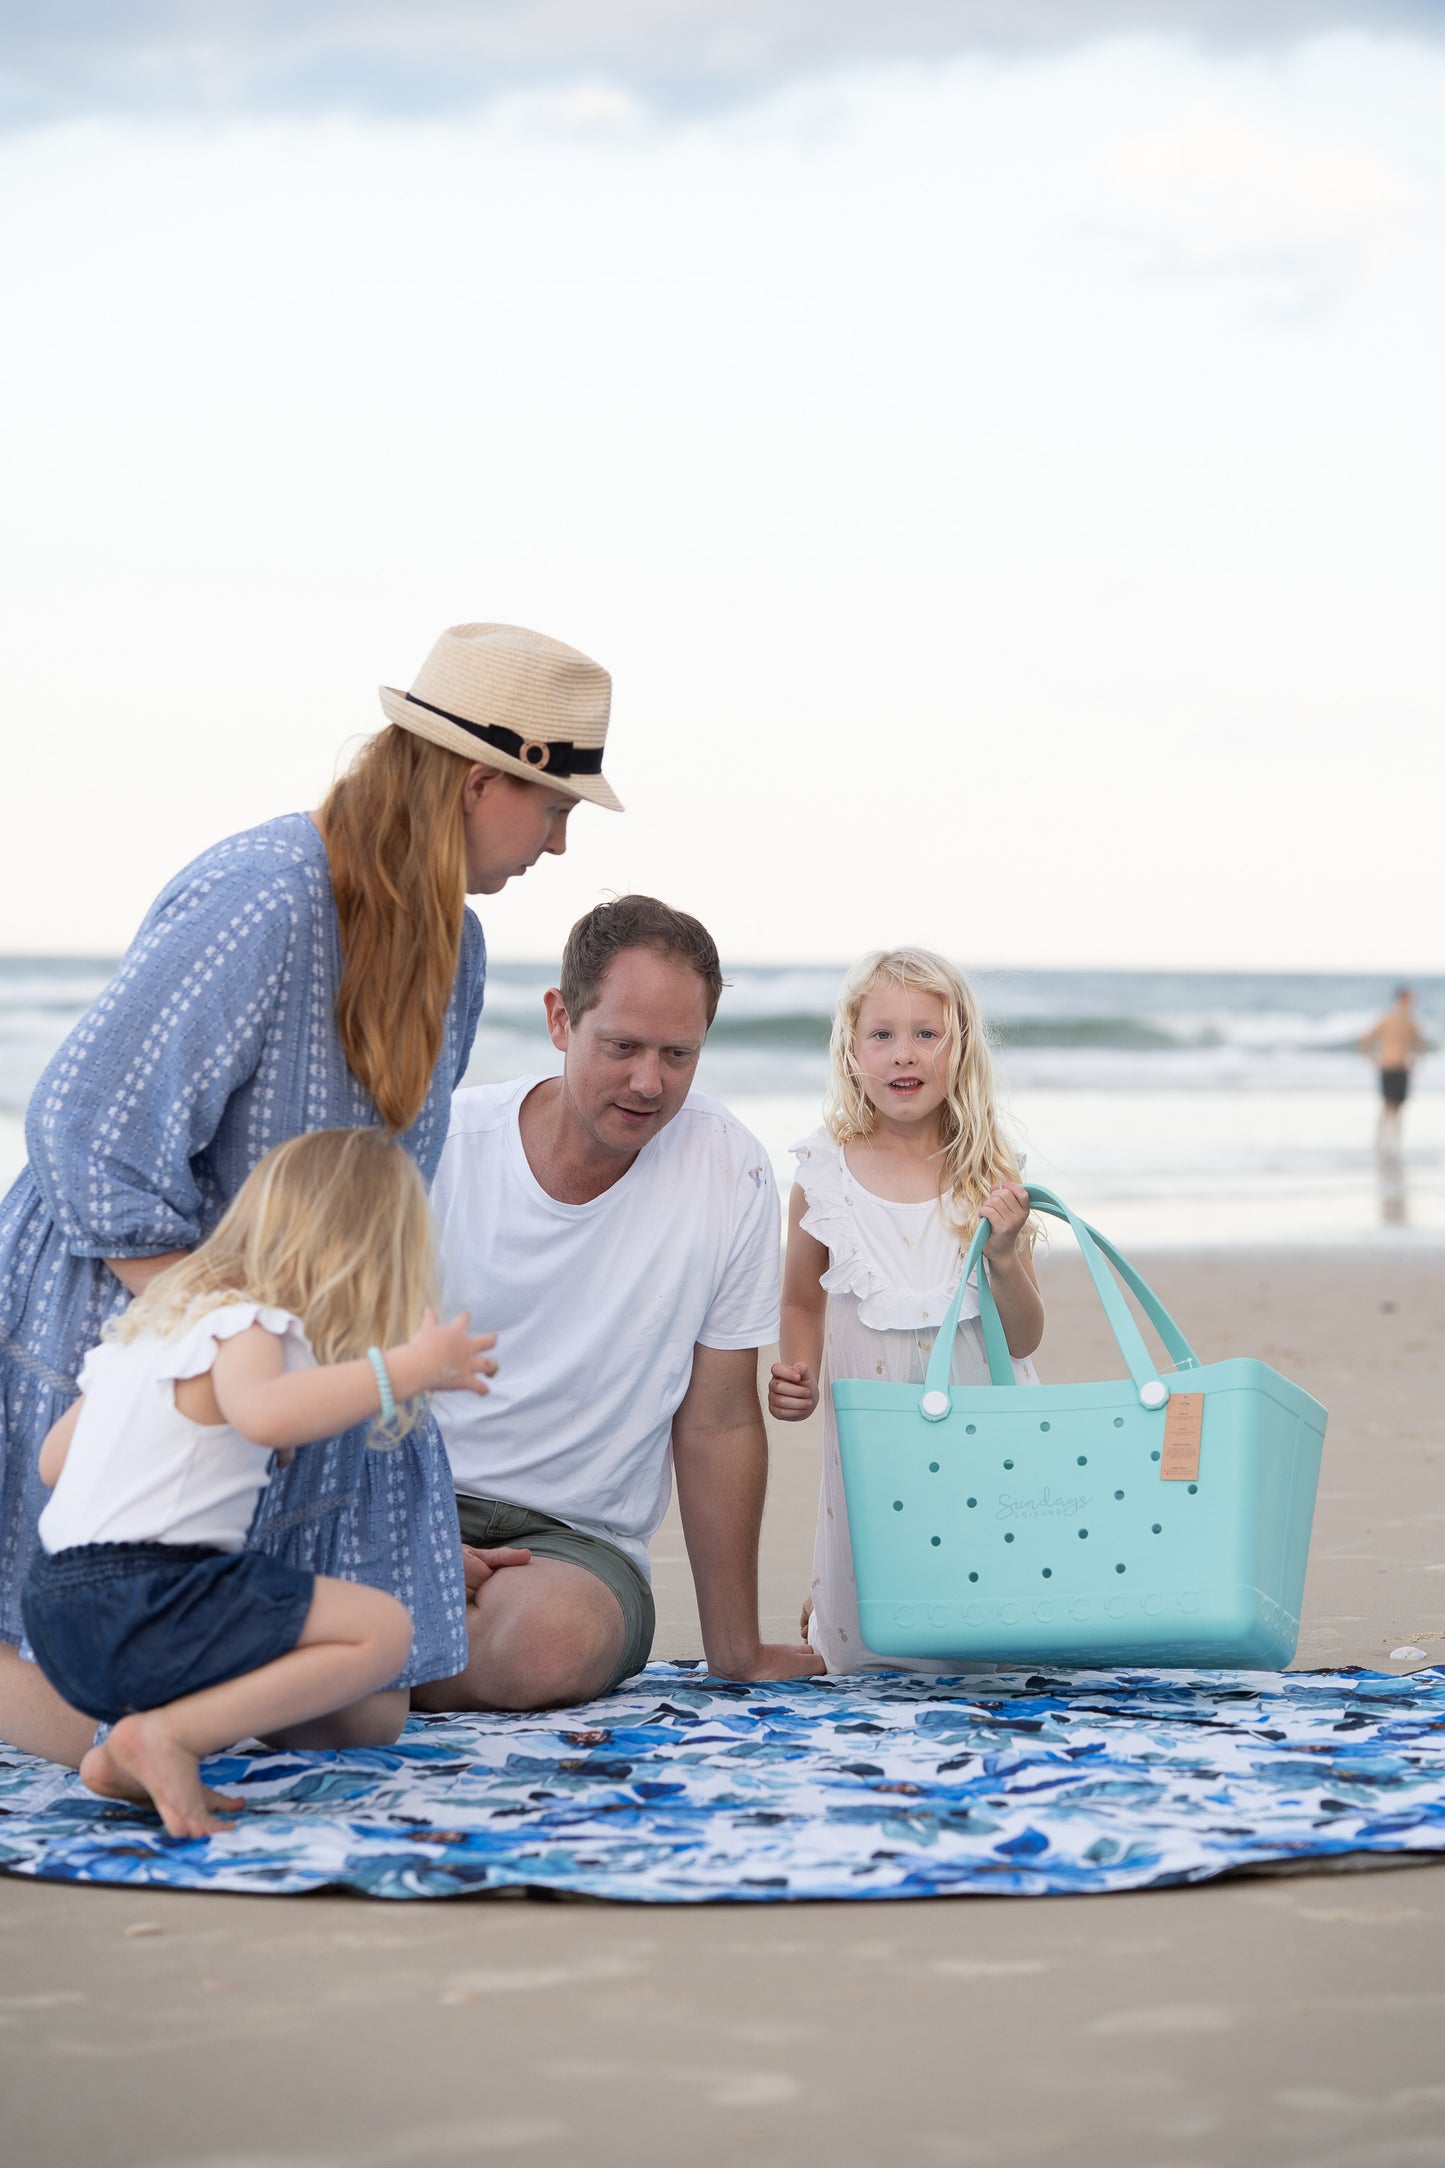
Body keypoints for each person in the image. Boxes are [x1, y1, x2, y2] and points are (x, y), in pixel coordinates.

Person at [0, 620, 617, 1767]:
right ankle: (115, 1727)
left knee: (367, 1709)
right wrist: (215, 1342)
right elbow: (88, 1125)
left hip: (286, 1344)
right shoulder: (267, 893)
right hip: (142, 1318)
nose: (560, 844)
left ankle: (154, 1717)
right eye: (555, 808)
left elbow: (382, 1201)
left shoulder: (458, 947)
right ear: (482, 781)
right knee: (103, 1698)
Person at [22, 1131, 496, 1837]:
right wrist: (407, 1369)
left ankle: (130, 1756)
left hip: (57, 1608)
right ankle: (167, 1737)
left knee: (311, 1667)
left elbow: (54, 1463)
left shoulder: (151, 1330)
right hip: (145, 1594)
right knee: (380, 1630)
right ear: (360, 1254)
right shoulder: (248, 1326)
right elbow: (267, 1412)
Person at [416, 895, 822, 1714]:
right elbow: (343, 1364)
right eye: (622, 1047)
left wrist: (735, 1650)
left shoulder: (727, 1168)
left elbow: (717, 1420)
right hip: (410, 1497)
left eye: (679, 1054)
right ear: (560, 1019)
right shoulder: (444, 1148)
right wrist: (406, 1539)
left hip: (572, 1548)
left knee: (548, 1648)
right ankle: (370, 1642)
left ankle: (352, 1662)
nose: (649, 1082)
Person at [768, 948, 1043, 1674]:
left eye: (927, 1034)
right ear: (851, 1051)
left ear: (960, 1049)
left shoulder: (988, 1175)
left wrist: (1006, 1255)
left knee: (982, 1593)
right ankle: (833, 1607)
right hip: (875, 1425)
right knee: (881, 1571)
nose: (903, 1054)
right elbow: (799, 1296)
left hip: (984, 1425)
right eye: (881, 1034)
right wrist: (795, 1366)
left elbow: (1023, 1337)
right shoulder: (822, 1177)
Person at [1358, 987, 1427, 1156]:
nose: (1411, 1001)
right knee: (1387, 1105)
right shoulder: (1387, 1019)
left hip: (1402, 1068)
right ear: (1401, 999)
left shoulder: (1411, 1022)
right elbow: (1364, 1040)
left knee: (1399, 1106)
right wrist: (1374, 1059)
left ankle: (1395, 1143)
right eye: (1409, 998)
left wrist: (1415, 1061)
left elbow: (1420, 1045)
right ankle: (1381, 1141)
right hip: (1388, 1066)